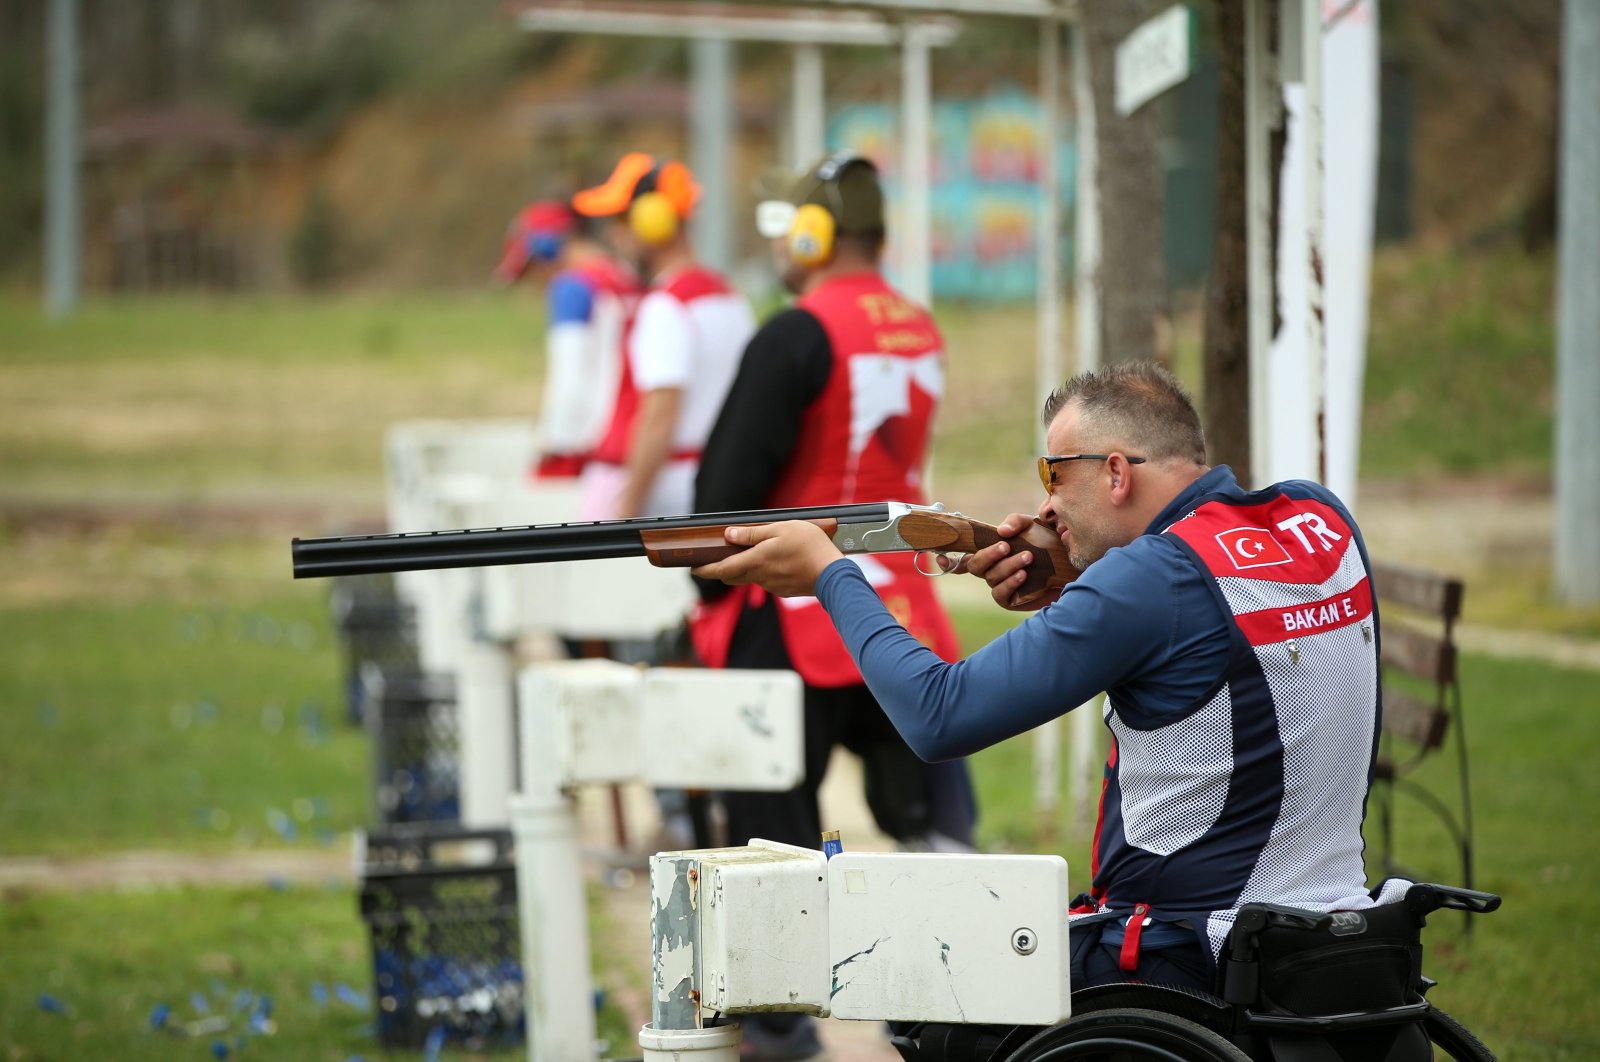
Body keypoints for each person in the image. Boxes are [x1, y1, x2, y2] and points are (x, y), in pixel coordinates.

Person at [692, 360, 1406, 993]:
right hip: (1340, 945)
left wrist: (831, 574)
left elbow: (939, 715)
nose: (1043, 507)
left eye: (1055, 475)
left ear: (1118, 473)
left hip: (1183, 961)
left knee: (915, 985)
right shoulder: (1320, 519)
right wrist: (1074, 588)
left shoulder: (1148, 580)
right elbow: (1222, 634)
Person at [570, 152, 756, 520]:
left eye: (621, 220)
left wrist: (627, 506)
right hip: (724, 487)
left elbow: (659, 419)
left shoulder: (665, 307)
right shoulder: (730, 296)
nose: (614, 235)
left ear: (652, 219)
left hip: (674, 496)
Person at [494, 199, 640, 480]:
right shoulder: (625, 274)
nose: (536, 281)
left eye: (532, 267)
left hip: (594, 448)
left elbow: (569, 378)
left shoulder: (571, 287)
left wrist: (553, 442)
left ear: (545, 250)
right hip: (633, 436)